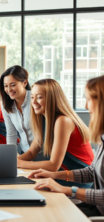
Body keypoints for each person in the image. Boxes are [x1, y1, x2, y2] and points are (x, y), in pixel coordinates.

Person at [29, 75, 104, 217]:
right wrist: (54, 175)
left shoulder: (62, 121)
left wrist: (68, 190)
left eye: (89, 99)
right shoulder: (102, 137)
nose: (86, 106)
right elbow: (91, 172)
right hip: (95, 205)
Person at [18, 79, 94, 187]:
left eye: (39, 97)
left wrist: (20, 163)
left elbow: (53, 165)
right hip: (63, 174)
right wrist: (13, 160)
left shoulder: (63, 121)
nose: (34, 102)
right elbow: (31, 152)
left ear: (52, 99)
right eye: (32, 97)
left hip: (80, 180)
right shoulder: (43, 119)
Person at [0, 65, 32, 154]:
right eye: (6, 86)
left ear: (24, 83)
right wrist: (10, 156)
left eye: (13, 85)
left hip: (43, 153)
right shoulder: (6, 104)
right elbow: (11, 134)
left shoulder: (35, 99)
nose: (9, 89)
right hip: (24, 152)